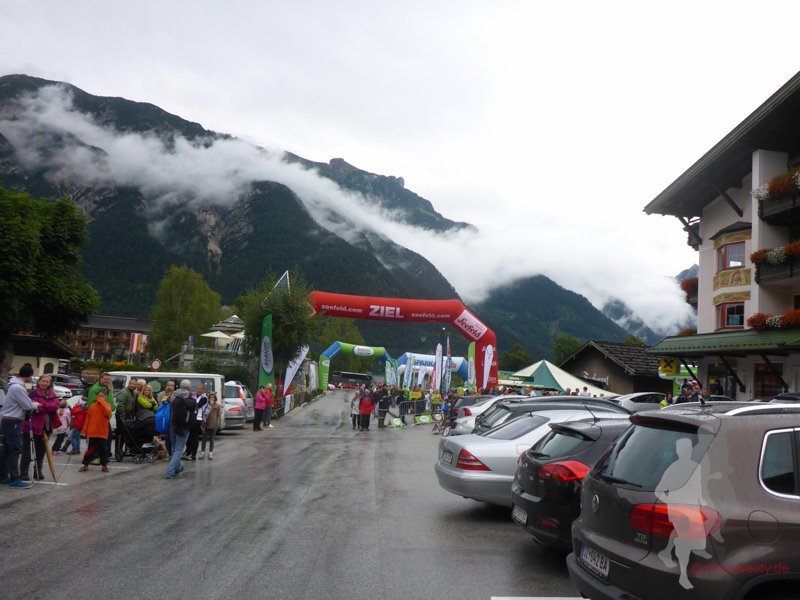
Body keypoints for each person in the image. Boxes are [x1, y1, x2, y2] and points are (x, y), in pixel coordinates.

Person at [0, 364, 41, 489]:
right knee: (15, 450)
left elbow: (23, 402)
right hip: (12, 422)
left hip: (9, 421)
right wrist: (36, 404)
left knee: (7, 449)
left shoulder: (15, 385)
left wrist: (31, 403)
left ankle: (3, 476)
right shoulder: (18, 387)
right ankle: (14, 479)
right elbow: (27, 405)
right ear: (30, 375)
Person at [21, 374, 60, 481]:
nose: (45, 383)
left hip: (46, 427)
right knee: (27, 452)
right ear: (39, 382)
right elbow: (30, 406)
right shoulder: (33, 393)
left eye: (47, 381)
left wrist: (41, 405)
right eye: (43, 381)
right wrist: (43, 407)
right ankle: (24, 472)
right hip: (32, 426)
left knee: (41, 451)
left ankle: (38, 471)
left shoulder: (51, 394)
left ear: (50, 383)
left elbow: (55, 406)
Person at [166, 380, 196, 479]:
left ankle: (178, 468)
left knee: (174, 448)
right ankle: (170, 471)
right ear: (189, 388)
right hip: (183, 426)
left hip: (173, 424)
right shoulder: (189, 397)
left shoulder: (173, 396)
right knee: (179, 449)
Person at [79, 390, 112, 473]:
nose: (100, 398)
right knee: (90, 450)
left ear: (105, 397)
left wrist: (102, 402)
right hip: (92, 432)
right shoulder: (92, 406)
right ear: (96, 397)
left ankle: (104, 466)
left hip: (102, 433)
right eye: (99, 396)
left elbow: (108, 413)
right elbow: (88, 419)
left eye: (102, 396)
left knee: (103, 450)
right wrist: (85, 429)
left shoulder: (107, 405)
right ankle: (85, 465)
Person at [87, 373, 116, 458]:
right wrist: (106, 409)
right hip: (99, 418)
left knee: (107, 437)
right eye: (105, 379)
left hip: (106, 417)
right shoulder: (94, 389)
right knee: (96, 438)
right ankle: (94, 456)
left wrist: (112, 407)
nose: (107, 381)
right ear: (100, 379)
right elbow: (92, 405)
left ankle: (105, 455)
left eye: (108, 379)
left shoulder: (107, 388)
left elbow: (109, 401)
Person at [114, 378, 138, 460]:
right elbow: (120, 404)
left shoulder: (133, 393)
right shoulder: (124, 392)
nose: (133, 385)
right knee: (120, 434)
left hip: (128, 414)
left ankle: (122, 451)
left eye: (134, 384)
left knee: (126, 434)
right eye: (131, 384)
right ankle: (118, 452)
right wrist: (123, 414)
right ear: (129, 384)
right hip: (122, 415)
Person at [184, 384, 206, 460]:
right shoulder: (195, 396)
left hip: (198, 419)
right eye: (198, 389)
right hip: (191, 418)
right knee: (189, 437)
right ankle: (188, 453)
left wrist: (190, 404)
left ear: (204, 390)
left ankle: (193, 455)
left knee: (194, 437)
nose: (199, 390)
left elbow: (196, 406)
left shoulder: (204, 398)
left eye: (201, 389)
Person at [199, 392, 221, 460]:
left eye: (213, 397)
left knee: (212, 439)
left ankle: (210, 453)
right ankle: (202, 453)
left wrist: (217, 423)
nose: (212, 398)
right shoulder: (206, 405)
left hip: (213, 425)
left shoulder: (217, 405)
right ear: (208, 398)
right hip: (206, 424)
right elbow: (203, 413)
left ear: (215, 398)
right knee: (204, 439)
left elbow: (218, 415)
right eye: (210, 397)